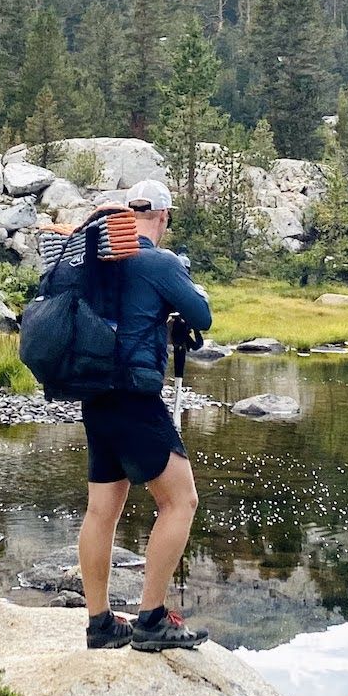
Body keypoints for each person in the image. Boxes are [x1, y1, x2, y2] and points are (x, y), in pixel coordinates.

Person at [80, 177, 214, 651]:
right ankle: (151, 620)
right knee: (181, 501)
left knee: (102, 509)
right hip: (135, 398)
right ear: (162, 217)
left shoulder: (94, 262)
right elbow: (201, 315)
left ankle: (100, 623)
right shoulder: (158, 261)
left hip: (94, 396)